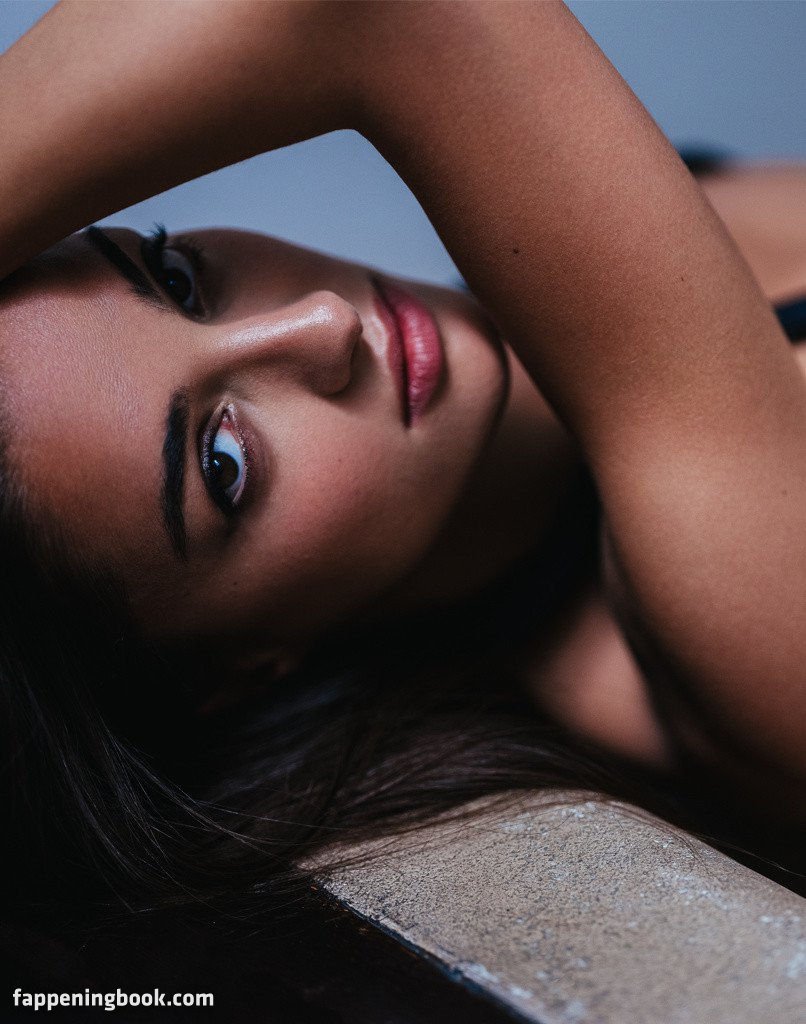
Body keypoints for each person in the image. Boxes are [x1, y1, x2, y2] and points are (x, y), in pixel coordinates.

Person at [0, 0, 804, 950]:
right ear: (239, 667)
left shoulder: (562, 270)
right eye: (223, 462)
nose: (322, 325)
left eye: (179, 279)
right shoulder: (740, 627)